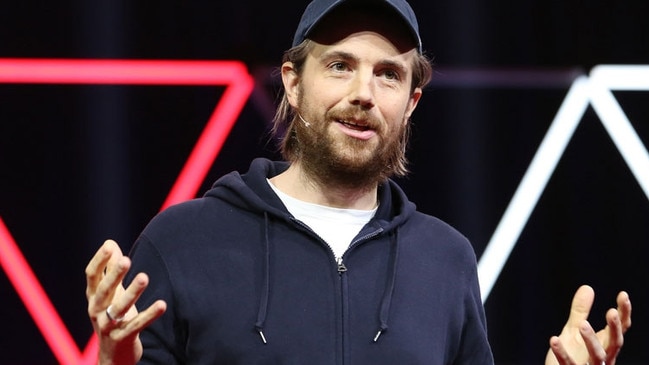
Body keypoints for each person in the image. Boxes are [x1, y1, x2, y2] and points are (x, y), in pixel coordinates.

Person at [85, 0, 632, 364]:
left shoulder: (446, 259)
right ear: (293, 84)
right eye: (340, 66)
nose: (364, 93)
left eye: (388, 74)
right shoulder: (183, 241)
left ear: (411, 103)